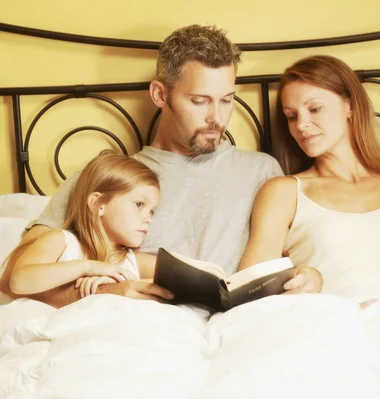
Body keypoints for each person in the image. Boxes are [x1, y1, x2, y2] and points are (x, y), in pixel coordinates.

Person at [0, 24, 285, 307]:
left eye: (226, 100)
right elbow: (13, 279)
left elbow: (293, 260)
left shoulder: (263, 172)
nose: (216, 117)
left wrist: (311, 276)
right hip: (140, 322)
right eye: (199, 101)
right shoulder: (105, 177)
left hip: (239, 324)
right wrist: (106, 293)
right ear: (160, 94)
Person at [238, 55, 380, 297]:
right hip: (330, 323)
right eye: (291, 116)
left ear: (350, 106)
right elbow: (249, 290)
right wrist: (302, 278)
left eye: (315, 109)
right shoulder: (285, 192)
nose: (301, 124)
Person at [7, 154, 163, 299]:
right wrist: (89, 268)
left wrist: (118, 285)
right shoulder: (61, 242)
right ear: (98, 204)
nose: (148, 219)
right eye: (139, 204)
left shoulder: (134, 261)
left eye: (152, 211)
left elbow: (183, 282)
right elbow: (19, 282)